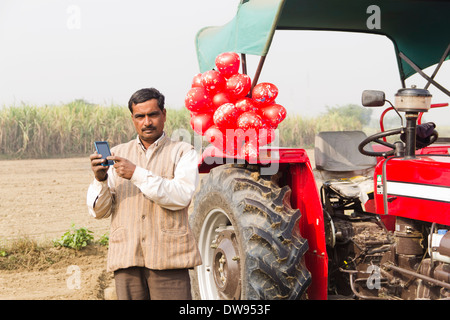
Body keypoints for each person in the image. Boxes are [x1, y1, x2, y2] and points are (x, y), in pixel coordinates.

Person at [86, 87, 202, 300]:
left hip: (169, 259)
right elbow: (99, 212)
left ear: (164, 115)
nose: (147, 122)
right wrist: (100, 179)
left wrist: (136, 173)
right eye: (140, 116)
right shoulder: (117, 154)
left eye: (153, 114)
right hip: (127, 258)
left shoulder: (183, 151)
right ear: (133, 119)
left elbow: (181, 196)